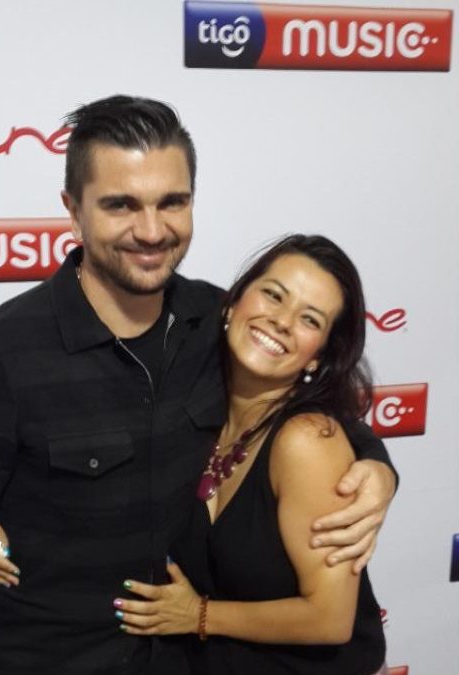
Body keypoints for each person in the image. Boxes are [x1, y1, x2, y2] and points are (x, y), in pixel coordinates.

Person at [0, 96, 396, 675]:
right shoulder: (2, 354)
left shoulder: (216, 321)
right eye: (121, 204)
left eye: (172, 202)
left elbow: (303, 403)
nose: (151, 230)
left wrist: (376, 465)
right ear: (73, 211)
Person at [109, 235, 389, 674]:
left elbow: (330, 619)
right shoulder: (195, 405)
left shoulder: (307, 441)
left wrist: (198, 615)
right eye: (274, 295)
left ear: (318, 357)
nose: (281, 321)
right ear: (232, 304)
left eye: (309, 319)